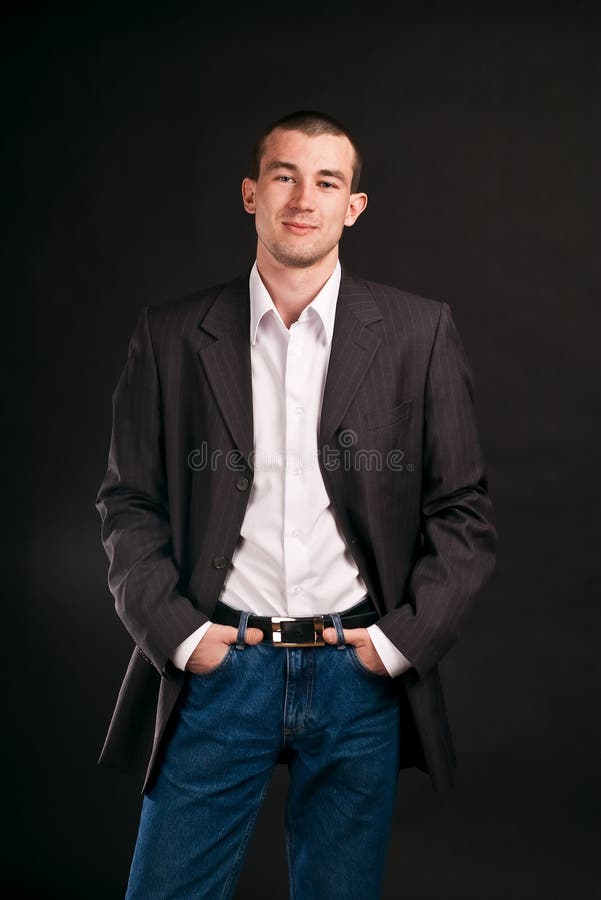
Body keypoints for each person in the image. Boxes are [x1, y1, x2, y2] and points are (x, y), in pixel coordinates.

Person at [95, 109, 496, 899]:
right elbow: (128, 501)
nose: (302, 197)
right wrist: (179, 636)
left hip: (358, 677)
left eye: (326, 181)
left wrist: (397, 643)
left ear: (353, 205)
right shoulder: (172, 336)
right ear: (251, 194)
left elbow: (462, 511)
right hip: (219, 670)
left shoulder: (418, 333)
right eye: (283, 176)